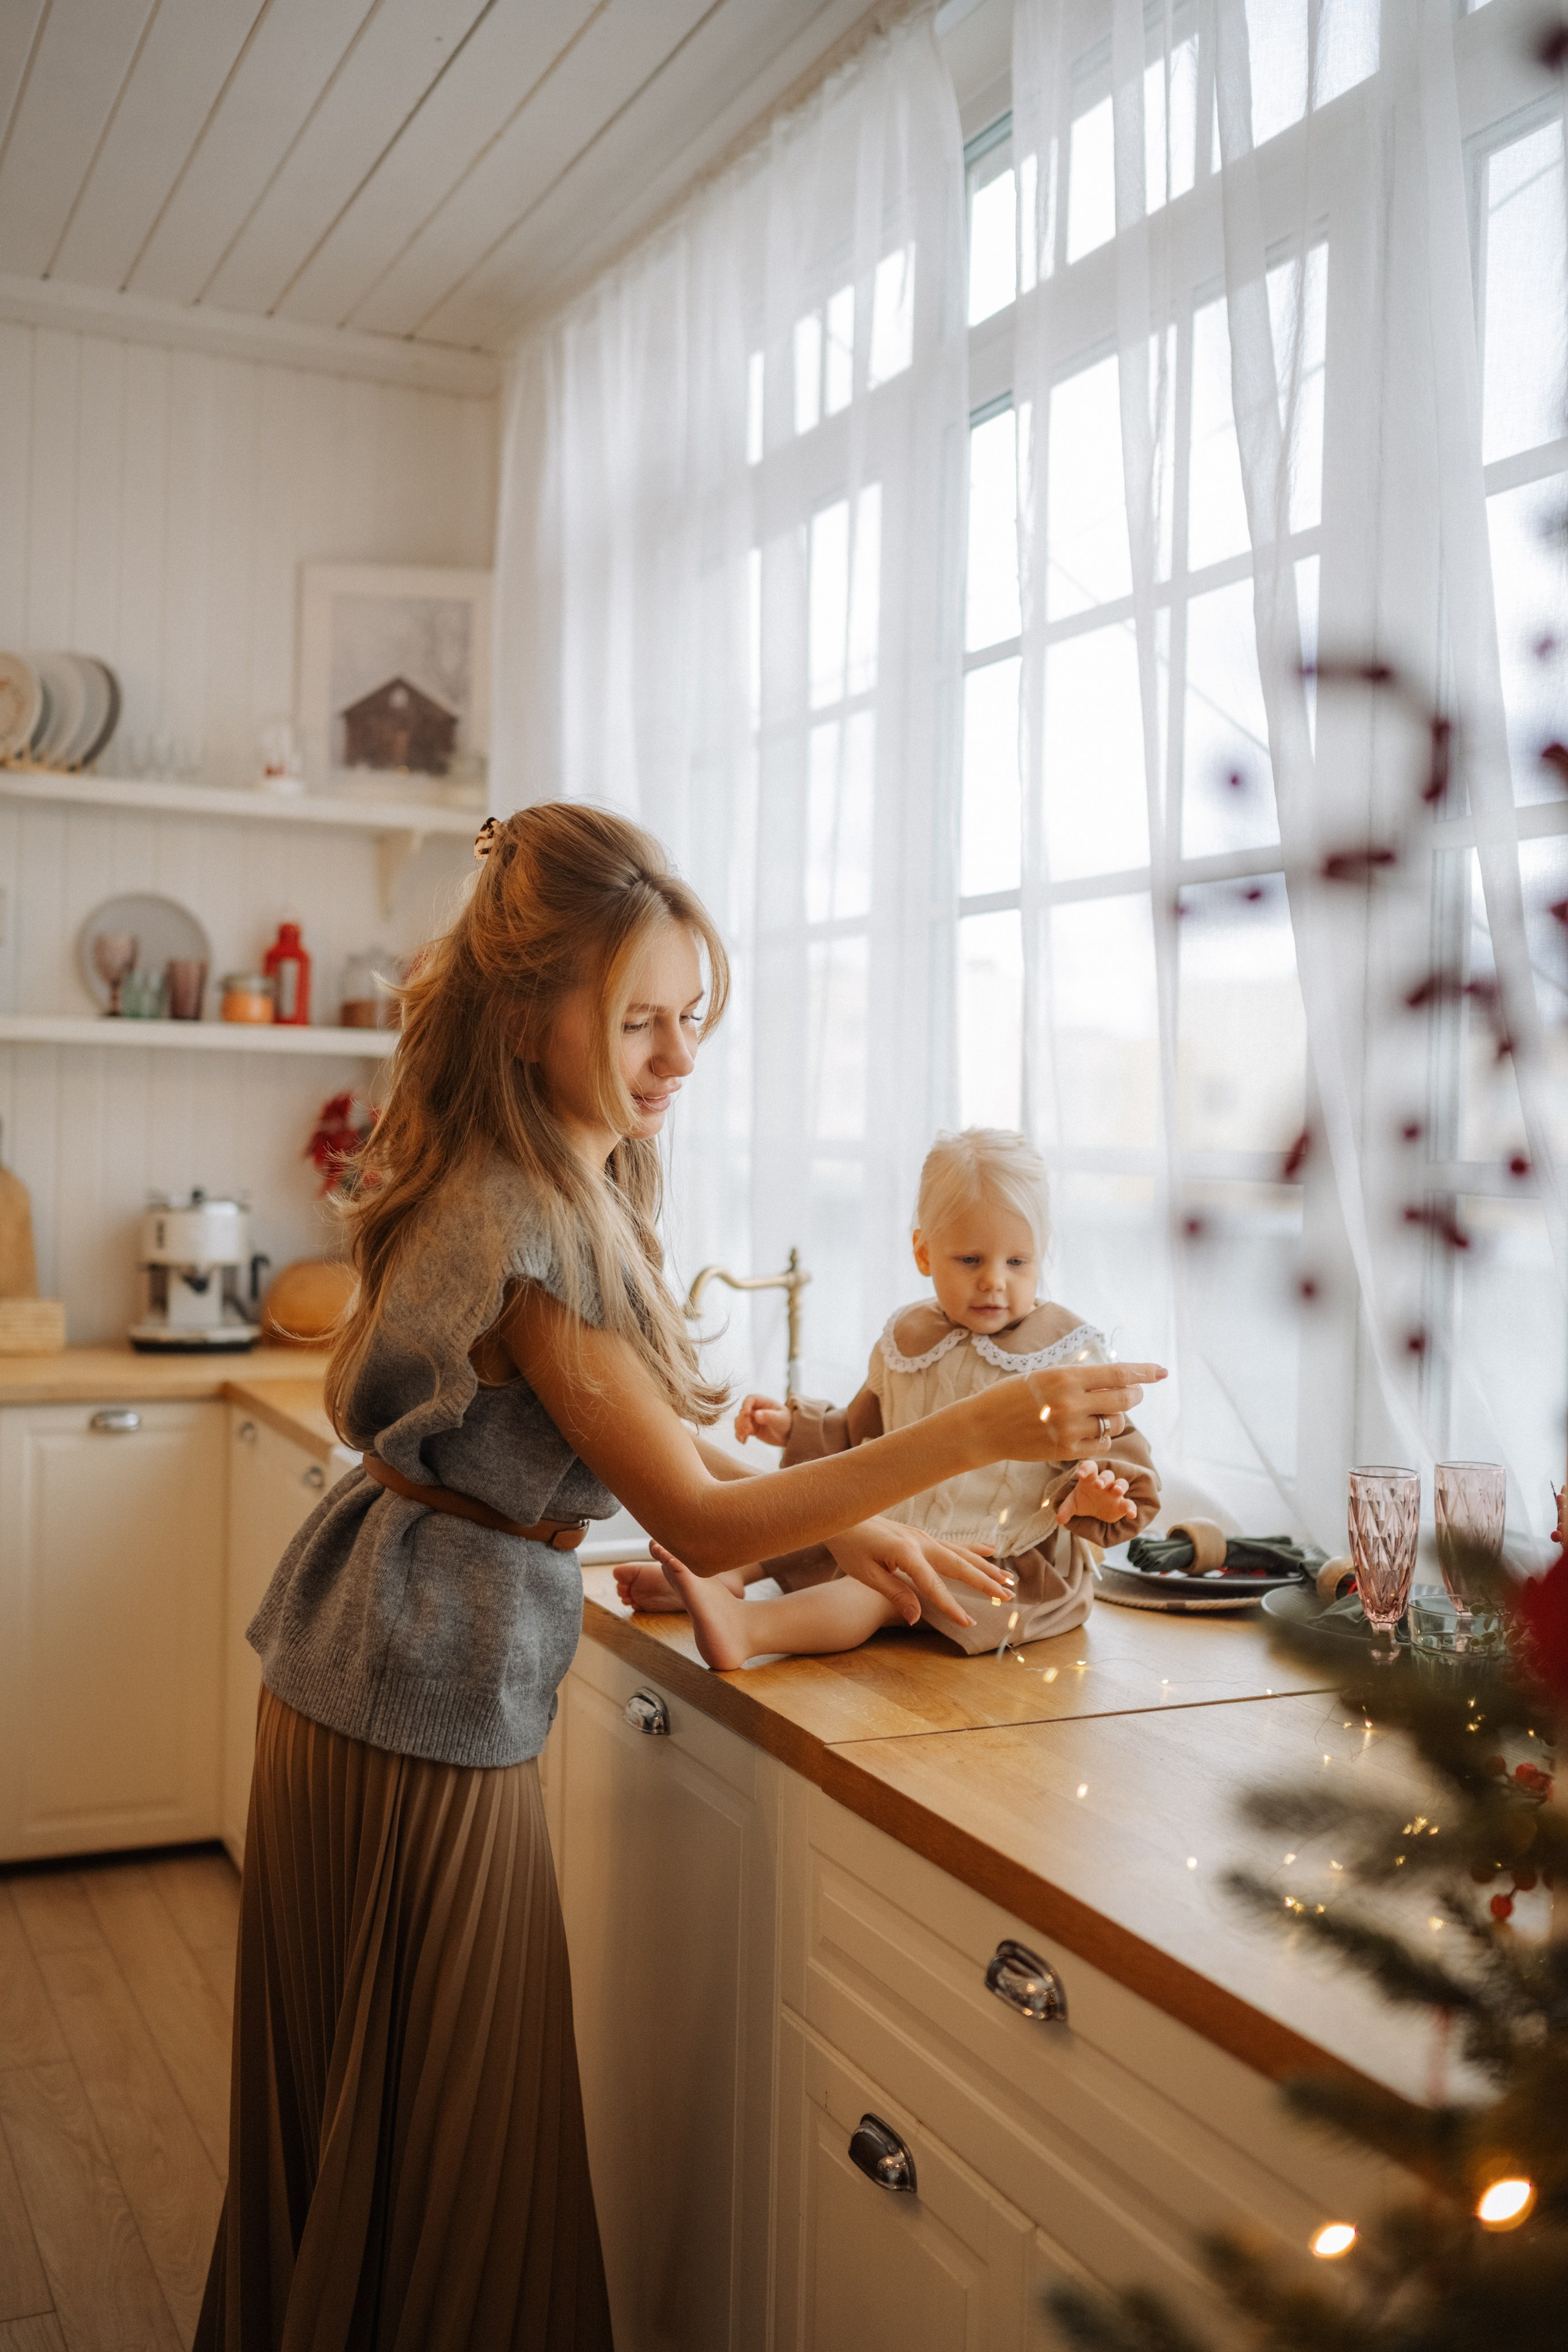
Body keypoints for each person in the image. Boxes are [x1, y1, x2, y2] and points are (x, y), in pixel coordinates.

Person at [197, 804, 1164, 2352]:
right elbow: (700, 1523)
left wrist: (855, 1535)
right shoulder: (531, 1223)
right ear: (529, 1010)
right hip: (409, 1686)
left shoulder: (558, 1181)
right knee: (454, 2139)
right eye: (638, 1018)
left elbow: (672, 1456)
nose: (676, 1057)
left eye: (688, 1019)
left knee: (383, 2140)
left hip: (382, 1663)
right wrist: (978, 1423)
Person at [617, 1128, 1161, 1669]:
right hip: (903, 1529)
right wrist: (796, 1427)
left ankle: (750, 1628)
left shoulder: (1066, 1353)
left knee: (880, 1587)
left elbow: (1117, 1452)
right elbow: (862, 1438)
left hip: (1002, 1562)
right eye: (971, 1260)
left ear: (1043, 1255)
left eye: (1017, 1262)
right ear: (925, 1252)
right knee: (811, 1520)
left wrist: (1097, 1498)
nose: (994, 1281)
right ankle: (723, 1575)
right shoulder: (908, 1339)